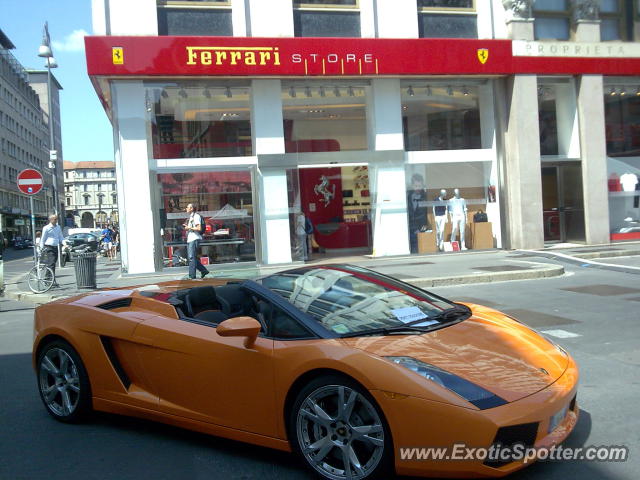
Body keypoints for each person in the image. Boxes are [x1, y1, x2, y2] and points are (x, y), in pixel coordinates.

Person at [183, 204, 210, 279]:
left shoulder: (196, 216)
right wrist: (187, 227)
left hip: (195, 238)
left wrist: (189, 227)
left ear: (191, 208)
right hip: (190, 239)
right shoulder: (191, 217)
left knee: (191, 258)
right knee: (191, 258)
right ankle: (203, 270)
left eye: (187, 207)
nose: (186, 208)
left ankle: (192, 276)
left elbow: (199, 228)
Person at [407, 173, 430, 253]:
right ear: (412, 185)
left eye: (420, 186)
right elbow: (409, 213)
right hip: (410, 228)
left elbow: (426, 213)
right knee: (413, 249)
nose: (418, 188)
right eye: (416, 186)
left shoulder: (426, 196)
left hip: (422, 228)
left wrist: (424, 227)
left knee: (422, 249)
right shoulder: (408, 196)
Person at [39, 214, 65, 286]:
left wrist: (65, 243)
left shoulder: (58, 227)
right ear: (50, 220)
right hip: (48, 247)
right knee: (51, 263)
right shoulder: (46, 228)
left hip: (55, 247)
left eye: (57, 219)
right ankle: (49, 280)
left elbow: (61, 237)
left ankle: (49, 280)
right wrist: (41, 248)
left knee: (52, 264)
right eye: (55, 219)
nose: (56, 220)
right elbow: (43, 239)